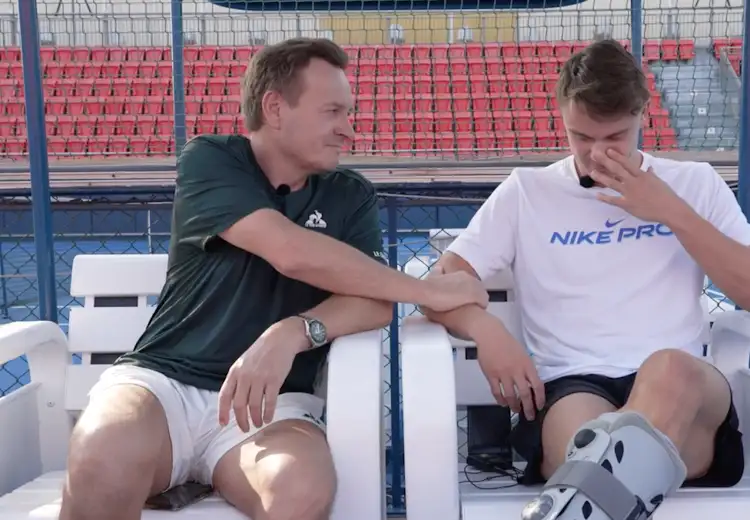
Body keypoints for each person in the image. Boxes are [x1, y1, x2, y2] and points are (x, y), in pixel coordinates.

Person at [59, 38, 489, 520]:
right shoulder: (211, 159)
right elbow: (290, 251)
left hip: (273, 408)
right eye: (332, 111)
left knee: (298, 491)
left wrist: (293, 332)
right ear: (275, 108)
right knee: (101, 456)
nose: (348, 130)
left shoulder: (350, 195)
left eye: (349, 113)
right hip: (164, 386)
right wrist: (431, 292)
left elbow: (373, 301)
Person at [422, 39, 750, 519]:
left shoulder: (695, 183)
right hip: (572, 386)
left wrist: (671, 212)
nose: (596, 154)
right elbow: (437, 285)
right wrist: (485, 329)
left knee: (668, 372)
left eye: (614, 137)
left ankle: (582, 500)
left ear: (642, 114)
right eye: (581, 137)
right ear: (562, 119)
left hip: (685, 391)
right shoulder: (527, 192)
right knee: (592, 441)